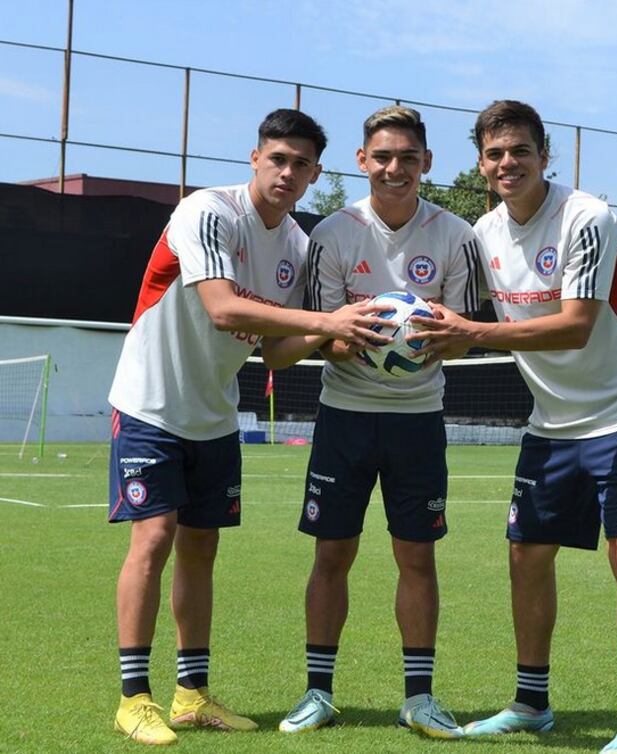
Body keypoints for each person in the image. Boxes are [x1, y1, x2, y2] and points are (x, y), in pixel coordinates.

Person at [108, 108, 392, 746]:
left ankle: (191, 694)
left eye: (301, 165)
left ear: (318, 173)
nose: (288, 173)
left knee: (201, 550)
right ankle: (133, 698)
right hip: (151, 402)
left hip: (213, 414)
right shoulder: (207, 211)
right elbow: (221, 307)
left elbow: (276, 350)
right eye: (278, 160)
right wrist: (329, 323)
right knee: (153, 540)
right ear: (255, 158)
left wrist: (339, 340)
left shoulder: (296, 245)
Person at [409, 100, 617, 754]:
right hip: (552, 423)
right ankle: (531, 702)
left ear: (544, 155)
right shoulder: (483, 233)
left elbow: (576, 324)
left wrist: (471, 331)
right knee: (526, 554)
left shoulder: (587, 218)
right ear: (480, 164)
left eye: (520, 151)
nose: (507, 163)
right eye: (495, 153)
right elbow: (457, 317)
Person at [278, 105, 481, 739]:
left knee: (416, 558)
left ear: (427, 163)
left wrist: (425, 339)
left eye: (408, 157)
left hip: (419, 420)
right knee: (331, 552)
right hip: (344, 416)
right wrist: (357, 338)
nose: (395, 168)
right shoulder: (332, 235)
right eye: (382, 157)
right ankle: (318, 692)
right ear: (362, 162)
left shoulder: (457, 236)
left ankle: (419, 698)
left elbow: (466, 335)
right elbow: (317, 334)